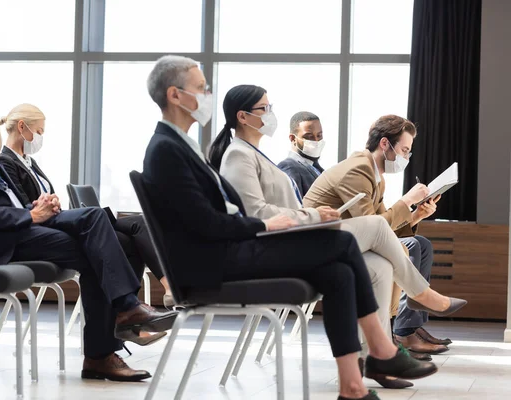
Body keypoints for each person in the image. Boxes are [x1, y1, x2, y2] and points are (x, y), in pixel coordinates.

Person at [142, 55, 439, 400]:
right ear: (175, 95)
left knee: (339, 274)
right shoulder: (166, 149)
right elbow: (205, 223)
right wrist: (265, 222)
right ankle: (382, 352)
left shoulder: (181, 145)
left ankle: (353, 387)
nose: (207, 94)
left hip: (225, 251)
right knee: (342, 245)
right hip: (212, 264)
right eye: (200, 88)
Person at [0, 69, 177, 382]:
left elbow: (6, 200)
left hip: (19, 226)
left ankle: (123, 321)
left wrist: (36, 207)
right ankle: (110, 340)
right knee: (100, 246)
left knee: (108, 231)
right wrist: (30, 216)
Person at [210, 84, 468, 389]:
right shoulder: (238, 155)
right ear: (243, 116)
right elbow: (258, 214)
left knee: (381, 267)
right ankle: (421, 294)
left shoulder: (255, 155)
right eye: (264, 109)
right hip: (280, 246)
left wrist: (412, 215)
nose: (271, 114)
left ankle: (374, 360)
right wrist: (316, 216)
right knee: (374, 227)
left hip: (296, 238)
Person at [303, 114, 467, 357]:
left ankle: (382, 350)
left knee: (387, 261)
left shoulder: (375, 175)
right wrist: (406, 201)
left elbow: (383, 231)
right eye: (404, 150)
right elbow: (375, 225)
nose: (406, 158)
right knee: (397, 251)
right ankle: (419, 296)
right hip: (315, 244)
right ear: (384, 144)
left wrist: (416, 215)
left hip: (343, 241)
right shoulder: (358, 170)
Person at [0, 103, 176, 309]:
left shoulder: (28, 162)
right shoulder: (5, 161)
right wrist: (45, 205)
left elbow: (43, 196)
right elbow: (23, 206)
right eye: (39, 131)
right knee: (111, 225)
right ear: (22, 127)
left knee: (138, 225)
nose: (41, 137)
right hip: (42, 226)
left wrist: (53, 200)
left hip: (53, 218)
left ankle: (158, 293)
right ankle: (136, 303)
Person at [277, 111, 325, 195]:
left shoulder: (316, 168)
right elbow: (292, 206)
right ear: (293, 139)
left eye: (319, 135)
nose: (316, 141)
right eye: (309, 137)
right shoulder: (289, 167)